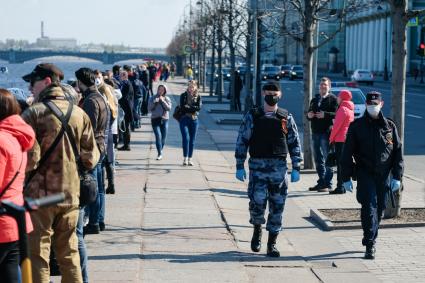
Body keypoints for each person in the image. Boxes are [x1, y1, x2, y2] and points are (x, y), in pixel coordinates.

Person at [21, 63, 99, 283]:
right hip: (70, 194)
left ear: (46, 82)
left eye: (32, 82)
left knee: (38, 254)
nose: (29, 87)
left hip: (41, 195)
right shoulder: (79, 114)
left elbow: (30, 159)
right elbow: (90, 157)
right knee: (69, 253)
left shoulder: (33, 113)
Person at [235, 81, 302, 257]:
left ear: (280, 95)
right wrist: (239, 164)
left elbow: (294, 142)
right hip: (257, 167)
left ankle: (272, 243)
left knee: (277, 206)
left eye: (275, 92)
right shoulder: (254, 115)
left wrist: (296, 166)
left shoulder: (285, 117)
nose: (271, 95)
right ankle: (257, 230)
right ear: (263, 93)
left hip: (279, 169)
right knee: (257, 202)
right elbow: (243, 139)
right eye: (268, 92)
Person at [340, 91, 403, 260]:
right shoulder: (357, 126)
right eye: (370, 104)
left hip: (384, 175)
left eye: (375, 104)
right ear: (366, 105)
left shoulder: (389, 126)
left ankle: (370, 233)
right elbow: (347, 153)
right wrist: (345, 177)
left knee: (380, 209)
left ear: (381, 104)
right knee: (369, 207)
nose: (372, 107)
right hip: (365, 173)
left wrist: (397, 176)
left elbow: (397, 152)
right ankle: (370, 244)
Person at [0, 89, 35, 283]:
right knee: (10, 272)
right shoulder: (16, 138)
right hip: (15, 218)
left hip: (2, 220)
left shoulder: (1, 140)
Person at [76, 67, 109, 236]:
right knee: (100, 187)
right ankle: (100, 219)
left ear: (81, 82)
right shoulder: (100, 97)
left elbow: (88, 128)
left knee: (92, 186)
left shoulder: (90, 100)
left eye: (77, 82)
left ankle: (94, 222)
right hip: (102, 143)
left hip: (94, 147)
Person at [307, 77, 338, 192]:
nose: (322, 86)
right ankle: (322, 181)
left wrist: (325, 114)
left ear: (329, 87)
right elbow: (309, 113)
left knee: (328, 159)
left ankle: (328, 183)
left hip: (326, 133)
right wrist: (309, 116)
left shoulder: (333, 99)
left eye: (325, 85)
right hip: (315, 132)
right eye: (321, 84)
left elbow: (336, 114)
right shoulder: (314, 99)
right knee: (318, 159)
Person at [328, 90, 354, 194]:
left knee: (340, 164)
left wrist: (331, 138)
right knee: (343, 163)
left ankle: (340, 187)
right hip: (346, 138)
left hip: (340, 139)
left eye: (339, 97)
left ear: (342, 98)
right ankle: (343, 185)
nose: (337, 98)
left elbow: (336, 127)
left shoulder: (342, 109)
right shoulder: (350, 109)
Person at [179, 80, 202, 166]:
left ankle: (190, 159)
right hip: (184, 119)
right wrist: (192, 108)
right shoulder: (183, 95)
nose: (191, 88)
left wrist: (189, 107)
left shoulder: (198, 96)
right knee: (186, 139)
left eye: (193, 87)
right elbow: (182, 108)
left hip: (194, 120)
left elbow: (198, 108)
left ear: (195, 87)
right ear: (187, 87)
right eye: (189, 86)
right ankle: (185, 158)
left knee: (192, 141)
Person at [148, 84, 172, 160]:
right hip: (155, 119)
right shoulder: (152, 98)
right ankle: (159, 153)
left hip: (164, 119)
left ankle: (160, 149)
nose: (160, 91)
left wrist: (163, 101)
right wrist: (155, 103)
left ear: (165, 91)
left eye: (162, 90)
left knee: (163, 138)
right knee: (158, 136)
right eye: (159, 89)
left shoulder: (167, 98)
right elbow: (149, 108)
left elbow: (169, 108)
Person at [118, 71, 134, 151]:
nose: (119, 77)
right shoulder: (126, 83)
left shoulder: (127, 84)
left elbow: (124, 97)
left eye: (120, 75)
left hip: (127, 109)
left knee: (126, 127)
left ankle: (127, 145)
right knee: (126, 127)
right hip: (126, 108)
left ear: (124, 76)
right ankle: (125, 144)